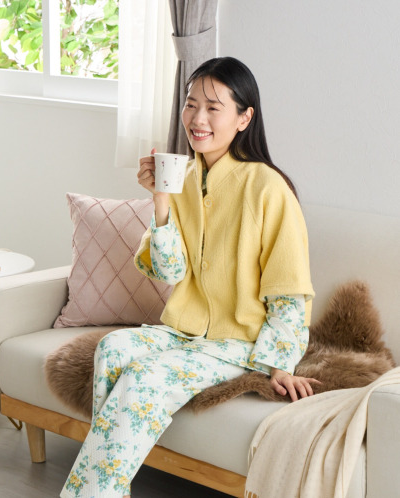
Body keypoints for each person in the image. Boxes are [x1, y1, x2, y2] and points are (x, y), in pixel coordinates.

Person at [60, 56, 318, 498]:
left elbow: (288, 288)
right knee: (113, 348)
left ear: (244, 118)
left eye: (214, 107)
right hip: (184, 332)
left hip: (239, 343)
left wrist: (281, 363)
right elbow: (169, 271)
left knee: (144, 377)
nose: (198, 118)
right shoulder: (183, 177)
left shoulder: (268, 187)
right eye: (191, 104)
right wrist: (161, 200)